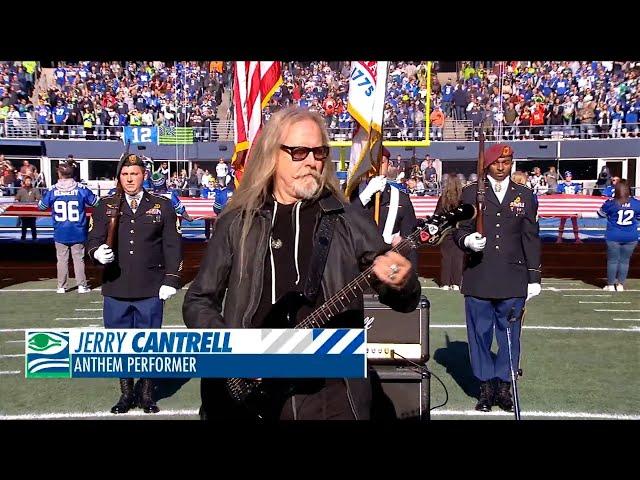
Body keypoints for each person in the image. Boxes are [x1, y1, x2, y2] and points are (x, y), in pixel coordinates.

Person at [182, 107, 421, 421]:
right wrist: (232, 352)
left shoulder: (348, 219)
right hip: (248, 393)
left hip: (332, 392)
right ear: (272, 155)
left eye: (319, 152)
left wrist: (402, 281)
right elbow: (199, 300)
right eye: (299, 152)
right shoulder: (237, 221)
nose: (312, 161)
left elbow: (403, 299)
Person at [87, 153, 183, 414]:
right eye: (125, 174)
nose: (129, 179)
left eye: (135, 174)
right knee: (119, 345)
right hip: (116, 287)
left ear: (144, 175)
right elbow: (92, 239)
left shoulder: (161, 206)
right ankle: (126, 394)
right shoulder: (105, 205)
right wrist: (96, 252)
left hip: (151, 288)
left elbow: (173, 245)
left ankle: (147, 394)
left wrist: (172, 279)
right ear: (119, 177)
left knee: (150, 344)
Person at [452, 143, 541, 412]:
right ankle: (485, 386)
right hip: (480, 274)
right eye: (497, 163)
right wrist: (467, 240)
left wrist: (534, 276)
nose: (502, 168)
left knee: (509, 334)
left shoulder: (524, 195)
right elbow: (458, 230)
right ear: (487, 165)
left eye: (507, 162)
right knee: (479, 334)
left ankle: (504, 385)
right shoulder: (470, 194)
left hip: (513, 276)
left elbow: (531, 237)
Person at [351, 147, 419, 271]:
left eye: (381, 162)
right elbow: (344, 222)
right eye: (373, 163)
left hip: (387, 269)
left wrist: (411, 276)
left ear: (388, 165)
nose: (376, 167)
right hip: (354, 269)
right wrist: (365, 196)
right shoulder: (351, 194)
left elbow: (410, 241)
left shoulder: (401, 199)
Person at [39, 162, 98, 294]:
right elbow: (96, 202)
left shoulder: (52, 190)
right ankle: (82, 285)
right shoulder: (81, 189)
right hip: (78, 230)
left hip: (60, 231)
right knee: (78, 259)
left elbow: (41, 206)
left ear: (59, 174)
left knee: (61, 260)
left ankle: (61, 286)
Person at [595, 180, 640, 291]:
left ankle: (610, 285)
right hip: (631, 236)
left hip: (613, 235)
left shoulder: (611, 203)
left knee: (612, 261)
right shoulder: (636, 203)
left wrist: (581, 215)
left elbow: (600, 214)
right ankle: (620, 285)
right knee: (625, 261)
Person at [435, 175, 464, 291]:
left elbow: (437, 215)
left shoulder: (443, 199)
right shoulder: (462, 199)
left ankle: (445, 283)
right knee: (458, 256)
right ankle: (456, 283)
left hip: (446, 230)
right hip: (459, 229)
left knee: (446, 256)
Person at [556, 170, 583, 243]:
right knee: (562, 222)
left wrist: (578, 194)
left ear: (571, 177)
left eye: (569, 176)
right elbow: (558, 195)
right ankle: (559, 238)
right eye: (567, 176)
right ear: (565, 177)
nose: (568, 177)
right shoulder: (561, 185)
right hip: (564, 205)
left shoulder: (575, 185)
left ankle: (577, 238)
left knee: (574, 222)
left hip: (573, 205)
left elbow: (580, 194)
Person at [15, 175, 41, 240]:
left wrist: (36, 202)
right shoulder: (21, 190)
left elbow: (39, 198)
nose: (28, 182)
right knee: (24, 226)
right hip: (23, 211)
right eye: (27, 181)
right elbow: (17, 199)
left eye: (29, 181)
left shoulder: (35, 190)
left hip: (32, 211)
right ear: (24, 182)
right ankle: (23, 237)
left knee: (33, 225)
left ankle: (34, 238)